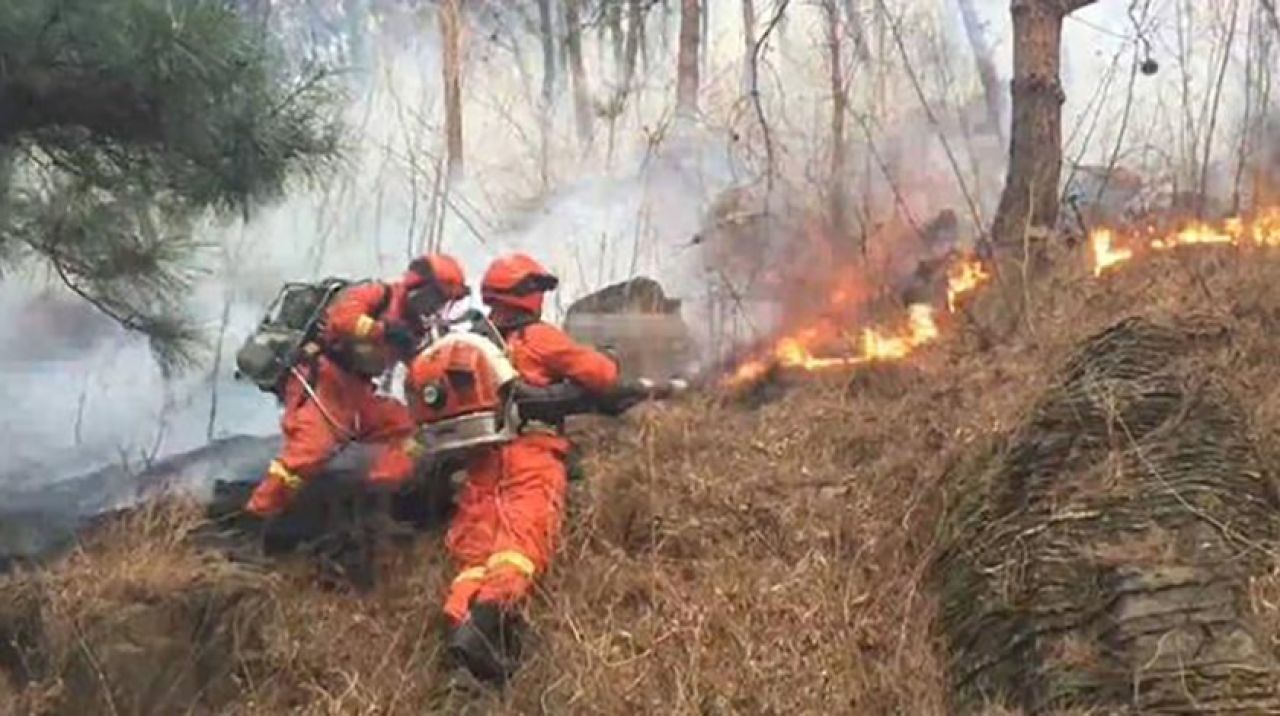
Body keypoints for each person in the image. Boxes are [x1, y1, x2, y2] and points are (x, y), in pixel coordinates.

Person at [437, 253, 619, 683]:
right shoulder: (538, 338)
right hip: (529, 456)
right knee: (522, 545)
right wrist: (604, 362)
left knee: (477, 555)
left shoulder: (470, 345)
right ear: (526, 296)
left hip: (482, 464)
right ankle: (483, 632)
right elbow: (603, 376)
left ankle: (459, 628)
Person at [245, 254, 469, 518]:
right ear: (416, 287)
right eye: (433, 299)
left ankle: (376, 495)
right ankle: (257, 515)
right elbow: (342, 319)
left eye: (441, 303)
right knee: (310, 449)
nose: (434, 308)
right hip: (324, 380)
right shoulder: (378, 294)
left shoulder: (415, 328)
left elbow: (422, 370)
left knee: (413, 429)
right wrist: (381, 330)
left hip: (358, 393)